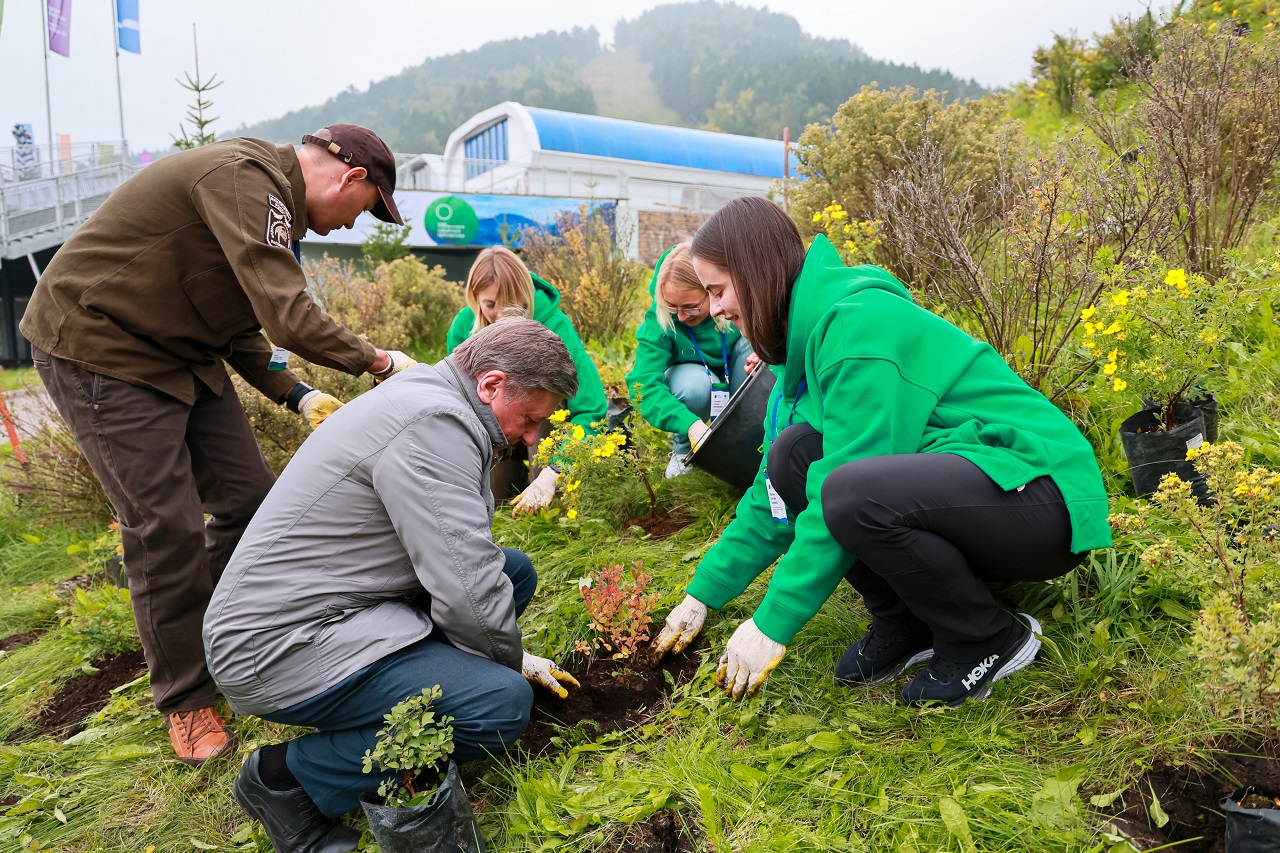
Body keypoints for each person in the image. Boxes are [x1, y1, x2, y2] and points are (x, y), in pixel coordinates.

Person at [19, 124, 418, 765]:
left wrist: (296, 394)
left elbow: (240, 325)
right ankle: (186, 696)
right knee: (163, 525)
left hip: (179, 352)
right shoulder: (244, 177)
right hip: (102, 348)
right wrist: (379, 362)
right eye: (366, 209)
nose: (350, 227)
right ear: (352, 178)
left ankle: (210, 631)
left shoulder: (267, 206)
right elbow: (289, 315)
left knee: (251, 500)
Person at [651, 196, 1112, 708]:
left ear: (756, 273)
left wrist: (771, 623)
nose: (714, 309)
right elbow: (774, 492)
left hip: (1042, 498)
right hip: (981, 480)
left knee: (850, 492)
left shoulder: (856, 329)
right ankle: (908, 621)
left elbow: (842, 490)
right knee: (792, 456)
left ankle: (986, 636)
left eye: (717, 290)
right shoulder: (811, 334)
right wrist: (703, 593)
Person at [205, 318, 581, 853]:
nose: (531, 438)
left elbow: (470, 565)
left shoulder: (432, 393)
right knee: (498, 706)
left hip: (329, 605)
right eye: (529, 420)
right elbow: (467, 584)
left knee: (512, 571)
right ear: (491, 384)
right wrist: (501, 670)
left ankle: (436, 680)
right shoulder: (432, 425)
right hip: (278, 646)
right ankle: (289, 779)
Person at [445, 245, 607, 508]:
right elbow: (454, 397)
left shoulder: (556, 326)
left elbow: (592, 408)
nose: (500, 316)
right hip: (496, 432)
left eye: (512, 306)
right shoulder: (463, 326)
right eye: (489, 305)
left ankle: (550, 504)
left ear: (526, 295)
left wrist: (555, 471)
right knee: (495, 501)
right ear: (474, 299)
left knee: (540, 408)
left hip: (542, 429)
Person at [626, 243, 758, 479]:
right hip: (694, 380)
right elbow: (642, 387)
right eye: (672, 307)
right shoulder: (660, 319)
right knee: (696, 386)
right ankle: (684, 449)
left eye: (691, 308)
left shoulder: (737, 300)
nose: (682, 317)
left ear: (713, 291)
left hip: (734, 371)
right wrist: (689, 424)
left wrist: (764, 354)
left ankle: (747, 443)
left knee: (752, 346)